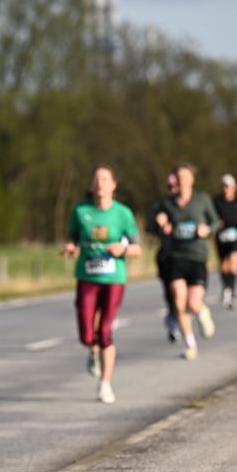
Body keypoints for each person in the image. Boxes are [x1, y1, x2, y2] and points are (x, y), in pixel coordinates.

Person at [62, 165, 142, 404]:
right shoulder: (80, 210)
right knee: (87, 334)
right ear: (91, 184)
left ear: (113, 185)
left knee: (105, 330)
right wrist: (70, 247)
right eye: (96, 179)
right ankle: (92, 350)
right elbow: (73, 238)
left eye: (105, 179)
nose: (100, 183)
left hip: (113, 277)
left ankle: (105, 384)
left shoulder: (123, 214)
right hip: (87, 276)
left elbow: (138, 247)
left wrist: (124, 248)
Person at [149, 163, 219, 360]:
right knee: (179, 301)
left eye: (184, 177)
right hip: (176, 257)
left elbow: (215, 222)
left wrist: (208, 230)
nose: (181, 181)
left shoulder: (202, 200)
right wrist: (161, 224)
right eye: (178, 177)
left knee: (193, 303)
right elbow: (150, 226)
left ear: (192, 179)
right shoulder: (167, 204)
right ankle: (190, 344)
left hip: (197, 257)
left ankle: (203, 312)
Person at [146, 172, 181, 343]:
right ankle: (173, 319)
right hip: (167, 255)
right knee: (170, 293)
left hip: (188, 256)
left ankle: (178, 318)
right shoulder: (161, 206)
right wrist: (159, 225)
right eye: (170, 187)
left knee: (184, 294)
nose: (173, 190)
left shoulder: (189, 205)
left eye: (176, 186)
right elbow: (148, 227)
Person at [212, 174, 237, 309]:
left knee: (234, 262)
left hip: (234, 235)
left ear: (234, 187)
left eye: (228, 186)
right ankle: (225, 287)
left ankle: (231, 291)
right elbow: (211, 217)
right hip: (221, 236)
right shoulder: (216, 201)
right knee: (223, 264)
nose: (226, 189)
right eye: (224, 186)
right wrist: (216, 223)